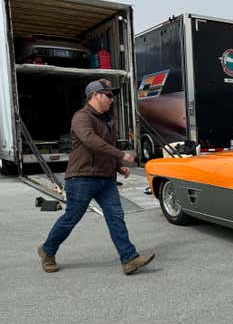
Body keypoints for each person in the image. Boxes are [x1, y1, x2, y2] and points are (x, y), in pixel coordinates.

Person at [37, 79, 155, 275]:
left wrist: (118, 167)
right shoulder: (81, 117)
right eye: (108, 95)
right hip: (82, 177)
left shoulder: (108, 120)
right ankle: (47, 251)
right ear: (94, 95)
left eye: (112, 96)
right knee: (71, 218)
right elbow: (91, 141)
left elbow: (108, 145)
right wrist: (121, 156)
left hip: (106, 179)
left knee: (116, 217)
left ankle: (129, 259)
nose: (112, 99)